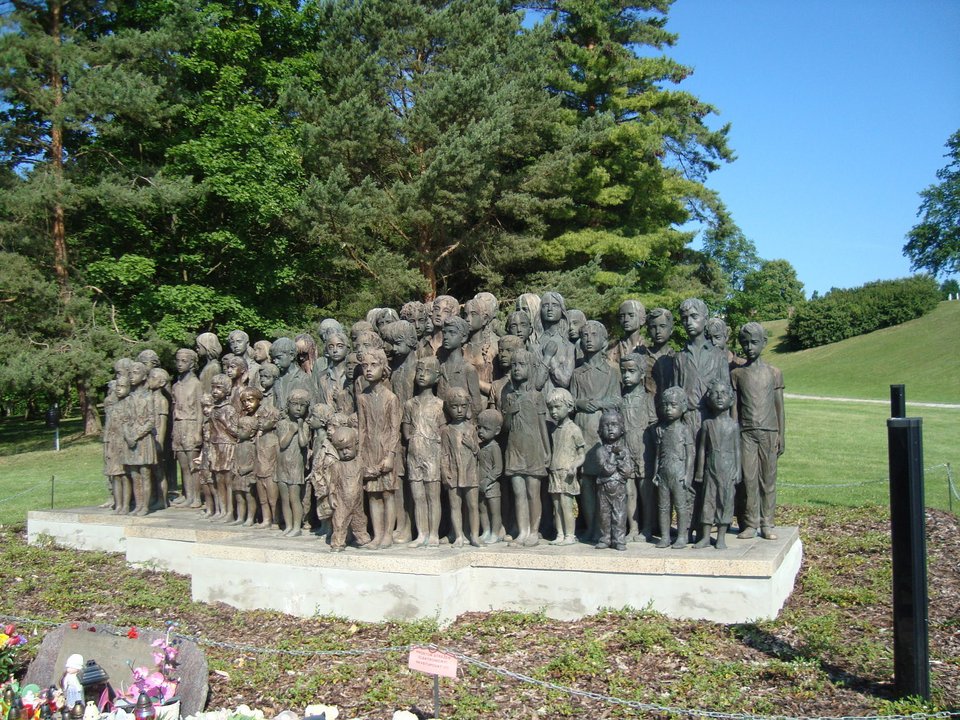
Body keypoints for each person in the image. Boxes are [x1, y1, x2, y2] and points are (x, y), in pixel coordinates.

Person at [731, 322, 785, 540]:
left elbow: (779, 406)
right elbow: (735, 409)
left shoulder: (774, 373)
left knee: (768, 479)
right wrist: (734, 435)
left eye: (754, 342)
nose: (749, 347)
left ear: (764, 343)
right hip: (745, 433)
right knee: (749, 480)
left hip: (769, 431)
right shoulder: (737, 374)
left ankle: (767, 523)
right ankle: (751, 523)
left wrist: (782, 434)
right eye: (745, 343)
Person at [570, 320, 620, 543]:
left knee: (604, 480)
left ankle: (605, 528)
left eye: (593, 335)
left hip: (602, 429)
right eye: (585, 335)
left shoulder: (611, 371)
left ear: (603, 341)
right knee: (586, 481)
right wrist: (580, 403)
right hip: (583, 427)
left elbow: (617, 400)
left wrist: (600, 403)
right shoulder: (577, 373)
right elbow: (571, 401)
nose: (588, 339)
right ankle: (591, 527)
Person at [500, 349, 550, 547]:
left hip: (533, 449)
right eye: (514, 365)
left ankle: (534, 532)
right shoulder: (509, 397)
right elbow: (505, 427)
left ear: (530, 368)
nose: (516, 369)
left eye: (521, 365)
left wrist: (547, 450)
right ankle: (522, 531)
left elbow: (542, 426)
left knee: (532, 492)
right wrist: (509, 414)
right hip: (515, 449)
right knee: (518, 493)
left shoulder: (537, 396)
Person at [358, 348, 401, 549]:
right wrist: (360, 455)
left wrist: (390, 455)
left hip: (386, 450)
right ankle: (377, 535)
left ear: (383, 368)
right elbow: (362, 428)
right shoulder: (362, 398)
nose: (368, 369)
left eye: (373, 365)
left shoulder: (391, 398)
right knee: (373, 494)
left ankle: (388, 535)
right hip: (369, 450)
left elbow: (394, 428)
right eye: (365, 366)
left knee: (387, 493)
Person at [403, 356, 445, 548]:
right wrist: (411, 438)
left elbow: (443, 430)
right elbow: (405, 427)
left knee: (433, 496)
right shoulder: (410, 404)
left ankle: (434, 534)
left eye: (427, 371)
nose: (422, 375)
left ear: (437, 377)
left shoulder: (440, 404)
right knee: (418, 496)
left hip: (433, 454)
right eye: (419, 370)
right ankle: (422, 534)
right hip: (414, 455)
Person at [693, 380, 741, 549]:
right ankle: (706, 537)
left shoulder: (734, 425)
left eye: (724, 393)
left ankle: (721, 537)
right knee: (708, 500)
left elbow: (737, 450)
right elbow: (702, 449)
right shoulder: (707, 424)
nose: (719, 397)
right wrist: (700, 471)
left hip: (728, 468)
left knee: (725, 501)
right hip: (711, 468)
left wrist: (738, 470)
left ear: (731, 399)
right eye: (715, 393)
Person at [652, 386, 695, 549]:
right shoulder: (661, 430)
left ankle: (682, 536)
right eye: (665, 405)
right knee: (663, 506)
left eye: (673, 405)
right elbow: (658, 454)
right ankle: (665, 536)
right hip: (663, 472)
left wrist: (688, 475)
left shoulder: (684, 430)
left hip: (679, 473)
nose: (668, 409)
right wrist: (655, 473)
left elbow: (690, 455)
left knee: (681, 506)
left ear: (683, 407)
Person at [440, 387, 481, 547]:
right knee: (455, 506)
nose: (459, 410)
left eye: (463, 406)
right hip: (454, 471)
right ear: (448, 408)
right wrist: (445, 473)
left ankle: (474, 535)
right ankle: (458, 536)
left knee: (473, 505)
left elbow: (478, 452)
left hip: (470, 472)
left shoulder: (471, 428)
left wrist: (473, 446)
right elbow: (444, 454)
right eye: (455, 406)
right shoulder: (446, 430)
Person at [619, 352, 653, 541]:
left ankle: (647, 527)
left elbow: (653, 424)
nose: (626, 375)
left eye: (631, 371)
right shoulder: (620, 399)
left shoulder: (648, 399)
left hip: (643, 450)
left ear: (641, 374)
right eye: (623, 371)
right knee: (628, 491)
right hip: (625, 450)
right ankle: (633, 527)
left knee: (645, 492)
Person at [545, 388, 585, 546]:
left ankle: (570, 535)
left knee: (566, 505)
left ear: (568, 407)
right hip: (554, 471)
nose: (553, 412)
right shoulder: (554, 431)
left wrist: (574, 466)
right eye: (551, 408)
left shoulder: (574, 429)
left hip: (567, 472)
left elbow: (581, 454)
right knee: (556, 506)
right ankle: (560, 534)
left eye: (557, 407)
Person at [327, 426, 371, 552]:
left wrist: (378, 469)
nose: (345, 452)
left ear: (355, 445)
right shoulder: (337, 466)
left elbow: (367, 472)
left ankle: (363, 539)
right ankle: (338, 543)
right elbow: (332, 484)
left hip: (357, 502)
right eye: (340, 450)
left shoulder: (359, 462)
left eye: (348, 448)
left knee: (360, 521)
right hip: (342, 502)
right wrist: (331, 497)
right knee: (339, 522)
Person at [595, 408, 633, 551]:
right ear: (600, 430)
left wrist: (621, 462)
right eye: (606, 425)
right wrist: (613, 455)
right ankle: (605, 538)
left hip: (619, 487)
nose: (610, 428)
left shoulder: (625, 451)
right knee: (604, 515)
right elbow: (607, 469)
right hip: (604, 488)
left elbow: (627, 472)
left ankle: (619, 539)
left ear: (621, 429)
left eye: (614, 424)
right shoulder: (600, 451)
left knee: (620, 514)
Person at [276, 388, 312, 537]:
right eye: (295, 404)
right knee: (285, 499)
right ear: (288, 405)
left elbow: (303, 443)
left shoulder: (305, 425)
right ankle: (288, 525)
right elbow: (282, 444)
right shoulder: (282, 424)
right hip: (282, 464)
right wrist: (291, 431)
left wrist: (300, 428)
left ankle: (297, 527)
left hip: (296, 465)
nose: (298, 408)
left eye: (302, 405)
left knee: (294, 498)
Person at [124, 361, 156, 516]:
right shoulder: (128, 399)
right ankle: (138, 505)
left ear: (144, 376)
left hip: (143, 440)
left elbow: (151, 420)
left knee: (144, 473)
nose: (132, 376)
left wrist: (136, 435)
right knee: (134, 474)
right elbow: (124, 420)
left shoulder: (148, 397)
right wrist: (128, 436)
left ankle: (145, 506)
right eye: (130, 373)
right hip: (130, 440)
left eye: (135, 373)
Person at [208, 374, 239, 522]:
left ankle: (230, 512)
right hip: (215, 446)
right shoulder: (213, 409)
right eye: (213, 388)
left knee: (228, 480)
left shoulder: (230, 409)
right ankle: (222, 509)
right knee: (218, 479)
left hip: (227, 446)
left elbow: (236, 431)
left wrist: (225, 422)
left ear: (227, 390)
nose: (215, 391)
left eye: (219, 388)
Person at [476, 408, 505, 544]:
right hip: (480, 483)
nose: (481, 432)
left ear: (497, 431)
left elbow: (498, 468)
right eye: (479, 427)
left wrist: (487, 481)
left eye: (486, 429)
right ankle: (486, 531)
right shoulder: (480, 446)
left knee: (494, 512)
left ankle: (495, 533)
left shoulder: (495, 447)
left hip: (492, 485)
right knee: (482, 509)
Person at [607, 299, 646, 367]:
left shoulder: (647, 350)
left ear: (642, 320)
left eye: (631, 315)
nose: (626, 319)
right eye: (622, 316)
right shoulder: (611, 351)